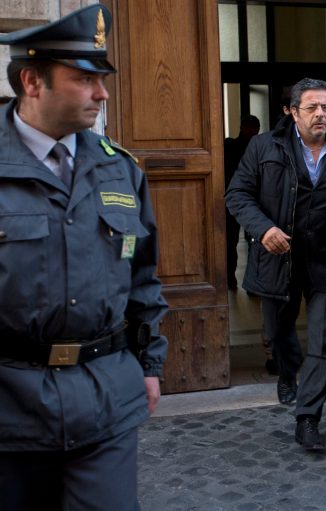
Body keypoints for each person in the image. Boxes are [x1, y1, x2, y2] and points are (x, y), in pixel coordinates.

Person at [0, 5, 168, 509]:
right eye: (84, 79)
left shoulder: (120, 169)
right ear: (32, 81)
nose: (103, 93)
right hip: (11, 407)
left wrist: (149, 364)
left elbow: (142, 275)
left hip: (105, 399)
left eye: (102, 79)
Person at [226, 78, 326, 450]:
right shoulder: (263, 146)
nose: (320, 114)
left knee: (323, 342)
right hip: (278, 258)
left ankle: (308, 418)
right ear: (292, 112)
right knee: (279, 332)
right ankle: (287, 372)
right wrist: (263, 228)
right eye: (312, 107)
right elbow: (237, 194)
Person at [224, 115, 260, 290]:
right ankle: (230, 278)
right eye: (249, 127)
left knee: (256, 242)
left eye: (255, 128)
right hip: (235, 198)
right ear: (242, 128)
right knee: (231, 241)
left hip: (254, 200)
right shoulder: (230, 145)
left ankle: (252, 283)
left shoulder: (259, 147)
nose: (252, 131)